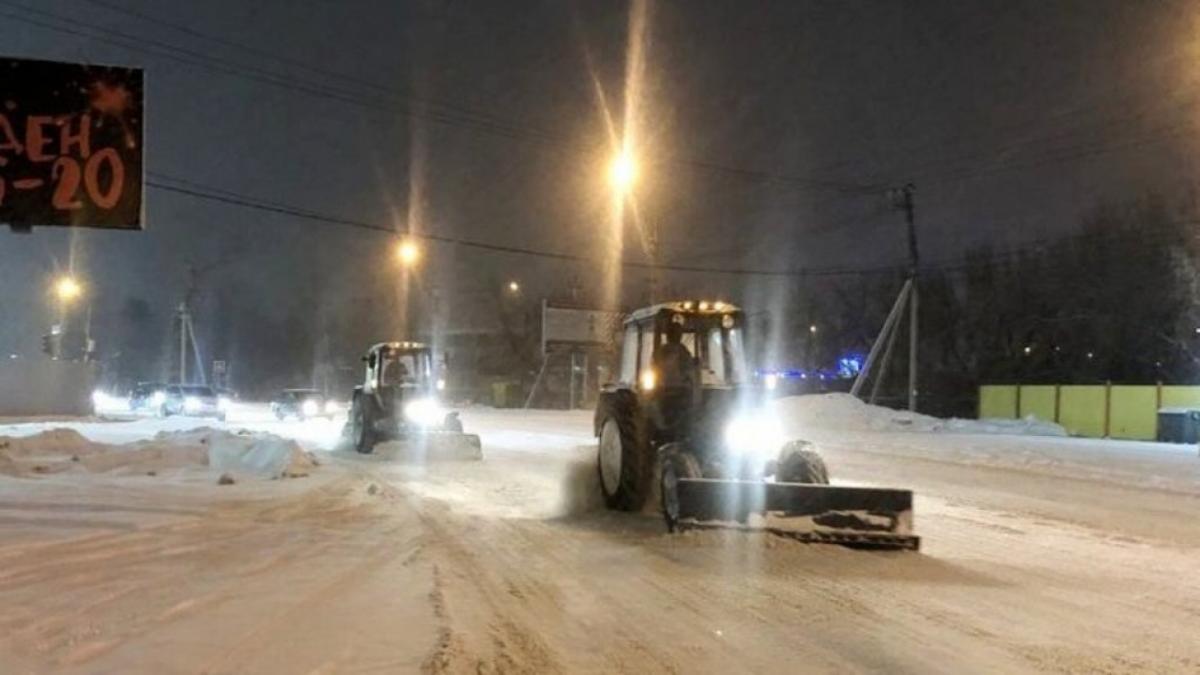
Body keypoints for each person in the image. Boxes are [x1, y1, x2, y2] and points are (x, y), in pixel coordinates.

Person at [651, 320, 697, 437]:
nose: (678, 335)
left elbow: (688, 368)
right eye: (676, 333)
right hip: (666, 391)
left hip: (681, 390)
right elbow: (658, 367)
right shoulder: (666, 351)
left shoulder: (681, 350)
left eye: (679, 333)